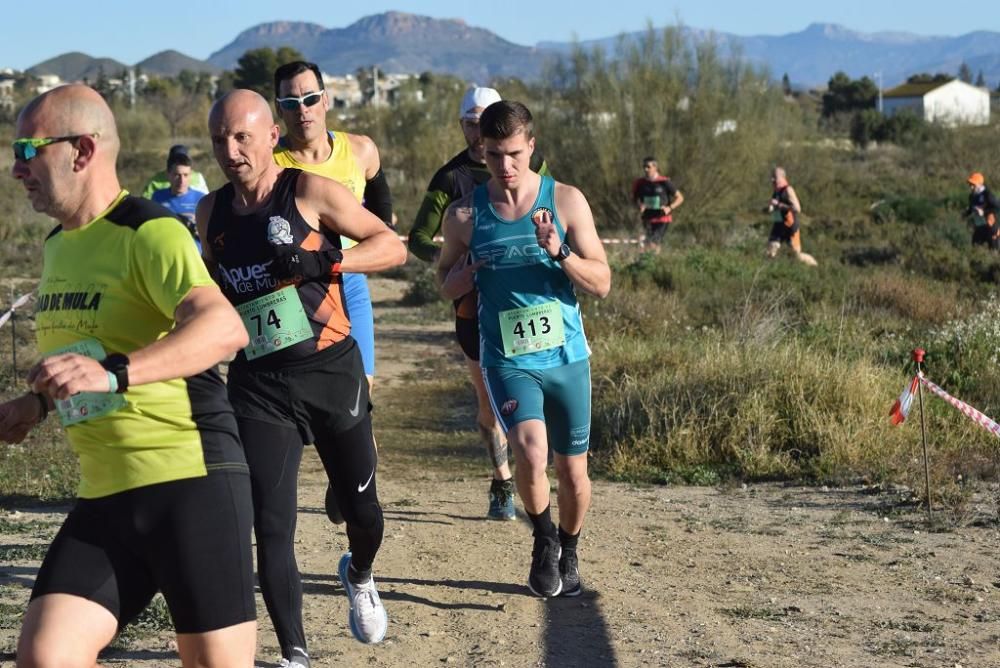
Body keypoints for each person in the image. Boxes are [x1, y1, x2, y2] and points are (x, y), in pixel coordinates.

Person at [1, 84, 256, 666]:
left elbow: (223, 330)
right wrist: (36, 404)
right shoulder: (57, 246)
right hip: (107, 494)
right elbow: (97, 351)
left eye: (28, 150)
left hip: (190, 482)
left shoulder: (151, 231)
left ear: (82, 150)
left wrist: (114, 373)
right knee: (46, 657)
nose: (16, 169)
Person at [197, 89, 406, 662]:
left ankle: (359, 573)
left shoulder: (308, 192)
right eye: (220, 139)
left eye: (242, 136)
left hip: (331, 373)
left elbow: (391, 247)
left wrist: (329, 261)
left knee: (362, 512)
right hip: (259, 385)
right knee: (271, 524)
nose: (230, 149)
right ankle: (294, 652)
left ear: (271, 137)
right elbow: (215, 291)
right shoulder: (210, 213)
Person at [437, 100, 611, 598]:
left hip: (566, 357)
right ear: (481, 150)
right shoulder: (465, 214)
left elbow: (601, 283)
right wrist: (465, 275)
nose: (505, 166)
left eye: (514, 153)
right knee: (531, 452)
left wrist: (560, 252)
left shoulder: (567, 201)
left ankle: (570, 547)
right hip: (507, 357)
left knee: (573, 472)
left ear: (532, 146)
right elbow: (443, 285)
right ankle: (542, 539)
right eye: (493, 155)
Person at [410, 86, 551, 521]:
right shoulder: (449, 179)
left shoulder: (535, 166)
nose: (478, 129)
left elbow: (549, 210)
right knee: (490, 406)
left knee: (543, 400)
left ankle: (543, 477)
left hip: (531, 304)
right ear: (462, 125)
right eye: (471, 121)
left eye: (485, 118)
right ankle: (502, 479)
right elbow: (417, 237)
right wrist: (453, 262)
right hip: (476, 307)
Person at [271, 61, 391, 528]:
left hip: (348, 287)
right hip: (293, 297)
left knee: (359, 397)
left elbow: (381, 204)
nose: (301, 110)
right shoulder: (273, 161)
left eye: (308, 99)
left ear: (326, 100)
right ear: (278, 110)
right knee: (303, 400)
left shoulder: (359, 150)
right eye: (288, 103)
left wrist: (378, 235)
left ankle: (356, 493)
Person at [151, 151, 205, 250]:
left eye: (186, 175)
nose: (182, 181)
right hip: (166, 253)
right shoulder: (157, 197)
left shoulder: (202, 199)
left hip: (195, 257)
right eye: (177, 175)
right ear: (168, 174)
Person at [765, 166, 818, 266]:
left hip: (790, 226)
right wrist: (771, 207)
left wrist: (779, 205)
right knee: (770, 251)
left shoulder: (788, 190)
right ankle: (768, 272)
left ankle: (813, 263)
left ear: (782, 178)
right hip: (778, 226)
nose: (772, 180)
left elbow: (797, 208)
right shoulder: (776, 191)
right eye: (772, 177)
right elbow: (774, 207)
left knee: (796, 256)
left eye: (775, 177)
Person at [631, 156, 683, 251]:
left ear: (655, 168)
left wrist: (669, 208)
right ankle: (654, 263)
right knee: (651, 243)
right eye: (644, 167)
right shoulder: (640, 183)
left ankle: (650, 262)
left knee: (652, 243)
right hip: (647, 218)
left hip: (662, 218)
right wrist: (639, 205)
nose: (646, 169)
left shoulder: (664, 182)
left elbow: (680, 198)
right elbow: (635, 199)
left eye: (648, 167)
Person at [141, 143, 209, 198]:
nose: (181, 180)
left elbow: (206, 199)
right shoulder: (155, 181)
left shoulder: (198, 177)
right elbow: (145, 203)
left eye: (185, 175)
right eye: (175, 160)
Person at [964, 172, 1000, 250]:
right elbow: (972, 208)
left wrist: (984, 212)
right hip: (980, 226)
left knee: (994, 251)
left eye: (973, 185)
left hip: (992, 227)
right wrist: (966, 213)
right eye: (970, 184)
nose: (971, 187)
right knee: (975, 247)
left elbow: (997, 207)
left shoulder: (987, 195)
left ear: (979, 184)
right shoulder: (972, 196)